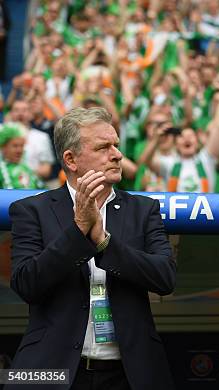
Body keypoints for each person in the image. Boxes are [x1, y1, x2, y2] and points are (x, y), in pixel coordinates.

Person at [8, 107, 176, 390]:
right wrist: (78, 231)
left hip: (130, 373)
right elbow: (26, 284)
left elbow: (165, 279)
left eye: (116, 146)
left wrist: (103, 242)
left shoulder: (143, 209)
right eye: (103, 147)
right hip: (55, 372)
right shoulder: (31, 210)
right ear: (71, 160)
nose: (117, 154)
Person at [0, 122, 43, 189]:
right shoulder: (1, 169)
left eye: (22, 146)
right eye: (15, 146)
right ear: (3, 147)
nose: (19, 150)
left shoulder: (27, 168)